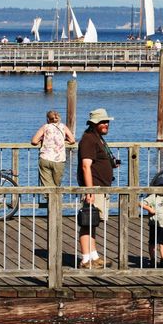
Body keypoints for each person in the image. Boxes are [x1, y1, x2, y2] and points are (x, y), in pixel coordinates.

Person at [77, 108, 119, 269]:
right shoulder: (88, 139)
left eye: (107, 121)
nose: (106, 124)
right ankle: (85, 259)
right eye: (102, 122)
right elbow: (86, 166)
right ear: (94, 124)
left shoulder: (97, 138)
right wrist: (90, 191)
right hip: (93, 188)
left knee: (93, 222)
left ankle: (93, 256)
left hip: (101, 187)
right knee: (87, 222)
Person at [31, 110, 75, 188]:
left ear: (48, 119)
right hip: (59, 159)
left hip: (45, 158)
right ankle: (56, 199)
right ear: (59, 118)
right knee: (57, 185)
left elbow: (34, 141)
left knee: (47, 185)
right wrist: (63, 140)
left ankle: (49, 199)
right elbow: (72, 140)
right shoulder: (63, 127)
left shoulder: (45, 127)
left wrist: (42, 139)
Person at [140, 193, 163, 267]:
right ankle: (152, 259)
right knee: (152, 242)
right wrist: (150, 209)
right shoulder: (153, 196)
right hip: (154, 223)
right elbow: (141, 203)